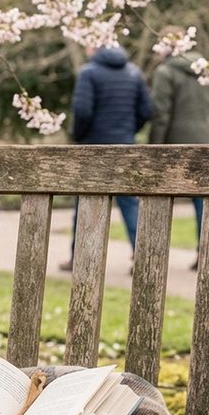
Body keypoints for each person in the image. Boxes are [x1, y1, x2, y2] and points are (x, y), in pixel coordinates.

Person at [61, 44, 152, 271]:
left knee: (85, 201)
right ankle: (142, 256)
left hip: (94, 147)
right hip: (124, 146)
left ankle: (79, 257)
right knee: (129, 203)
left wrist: (78, 136)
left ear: (94, 46)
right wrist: (128, 131)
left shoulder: (88, 72)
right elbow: (146, 111)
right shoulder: (134, 72)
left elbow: (82, 110)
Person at [148, 27, 209, 270]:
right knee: (202, 200)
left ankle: (154, 255)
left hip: (174, 144)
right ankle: (206, 252)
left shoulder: (165, 72)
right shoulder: (205, 69)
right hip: (205, 139)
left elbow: (160, 114)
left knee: (160, 198)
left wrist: (154, 148)